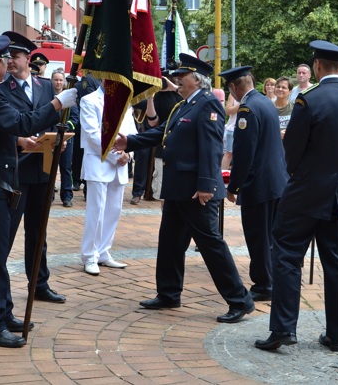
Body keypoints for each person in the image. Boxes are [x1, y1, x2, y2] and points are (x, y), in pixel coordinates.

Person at [113, 53, 255, 324]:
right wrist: (129, 141)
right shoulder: (183, 106)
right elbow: (162, 133)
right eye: (177, 75)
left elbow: (211, 147)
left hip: (197, 191)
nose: (177, 79)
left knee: (211, 245)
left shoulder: (208, 104)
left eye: (182, 75)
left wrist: (206, 185)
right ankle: (168, 293)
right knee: (170, 242)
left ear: (197, 80)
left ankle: (240, 300)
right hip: (177, 188)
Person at [0, 34, 77, 348]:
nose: (8, 64)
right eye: (5, 60)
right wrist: (60, 102)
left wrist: (18, 141)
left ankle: (3, 312)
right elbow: (23, 122)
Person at [254, 40, 338, 353]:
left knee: (287, 256)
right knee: (337, 264)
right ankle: (335, 336)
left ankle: (283, 328)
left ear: (317, 66)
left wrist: (299, 175)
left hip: (305, 191)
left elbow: (291, 151)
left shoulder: (309, 100)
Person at [1, 31, 66, 304]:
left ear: (28, 59)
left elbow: (52, 121)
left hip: (43, 168)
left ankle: (39, 284)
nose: (10, 61)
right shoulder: (1, 89)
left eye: (15, 56)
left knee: (39, 231)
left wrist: (60, 139)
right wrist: (18, 140)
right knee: (5, 233)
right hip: (16, 169)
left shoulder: (46, 86)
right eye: (7, 56)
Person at [221, 66, 288, 302]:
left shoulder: (248, 108)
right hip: (275, 180)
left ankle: (264, 284)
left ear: (233, 87)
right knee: (270, 236)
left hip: (259, 183)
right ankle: (271, 279)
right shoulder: (265, 102)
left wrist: (234, 186)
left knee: (258, 236)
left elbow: (244, 153)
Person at [80, 81, 136, 275]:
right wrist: (115, 155)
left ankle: (103, 251)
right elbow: (92, 134)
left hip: (121, 163)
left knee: (114, 210)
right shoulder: (89, 100)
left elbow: (132, 132)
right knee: (96, 211)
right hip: (99, 161)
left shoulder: (125, 101)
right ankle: (90, 255)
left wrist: (129, 154)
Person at [51, 69, 77, 206]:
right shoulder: (46, 95)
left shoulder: (69, 97)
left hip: (66, 137)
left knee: (66, 167)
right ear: (52, 80)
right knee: (49, 168)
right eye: (56, 79)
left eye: (61, 80)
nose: (58, 82)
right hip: (49, 137)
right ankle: (49, 195)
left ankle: (67, 196)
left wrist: (66, 128)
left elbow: (75, 117)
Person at [221, 94, 239, 170]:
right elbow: (228, 111)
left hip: (247, 129)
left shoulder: (252, 95)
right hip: (232, 129)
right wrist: (240, 104)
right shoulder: (233, 94)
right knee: (229, 153)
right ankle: (223, 174)